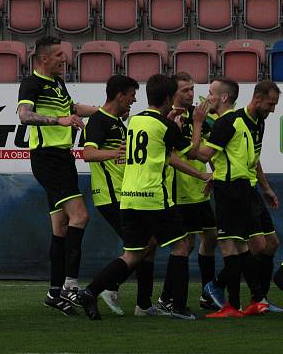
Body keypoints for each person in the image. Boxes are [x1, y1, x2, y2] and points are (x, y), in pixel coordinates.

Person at [77, 74, 204, 320]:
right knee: (183, 245)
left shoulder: (134, 121)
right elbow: (194, 152)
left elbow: (155, 142)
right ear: (169, 98)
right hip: (153, 196)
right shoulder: (165, 126)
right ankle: (177, 307)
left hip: (130, 197)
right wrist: (197, 123)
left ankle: (92, 292)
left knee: (135, 253)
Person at [17, 36, 97, 315]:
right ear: (44, 59)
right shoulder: (32, 83)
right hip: (48, 158)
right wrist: (59, 120)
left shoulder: (58, 83)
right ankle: (70, 286)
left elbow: (72, 109)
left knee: (61, 226)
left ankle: (54, 292)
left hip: (62, 157)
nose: (65, 59)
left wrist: (103, 113)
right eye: (59, 55)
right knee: (81, 216)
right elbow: (24, 116)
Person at [82, 75, 163, 316]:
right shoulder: (98, 121)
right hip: (110, 195)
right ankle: (99, 289)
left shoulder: (117, 122)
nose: (134, 100)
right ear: (119, 95)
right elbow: (87, 154)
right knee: (139, 248)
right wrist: (112, 153)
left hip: (125, 193)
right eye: (131, 95)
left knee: (149, 244)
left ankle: (143, 305)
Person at [191, 78, 267, 318]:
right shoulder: (241, 122)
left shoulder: (225, 122)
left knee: (227, 246)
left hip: (230, 189)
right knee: (241, 246)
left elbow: (201, 154)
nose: (207, 97)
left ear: (224, 98)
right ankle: (251, 300)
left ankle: (225, 297)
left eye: (211, 93)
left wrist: (196, 124)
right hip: (242, 187)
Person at [157, 72, 219, 312]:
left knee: (210, 238)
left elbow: (212, 148)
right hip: (178, 189)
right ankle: (167, 298)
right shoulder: (166, 119)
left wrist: (214, 175)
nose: (191, 94)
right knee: (186, 244)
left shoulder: (199, 115)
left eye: (193, 89)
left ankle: (206, 294)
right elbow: (173, 155)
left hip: (199, 189)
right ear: (173, 94)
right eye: (185, 90)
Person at [238, 80, 283, 313]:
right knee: (256, 246)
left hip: (253, 189)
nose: (273, 109)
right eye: (271, 104)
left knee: (272, 244)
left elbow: (254, 158)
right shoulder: (237, 122)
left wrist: (266, 188)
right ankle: (220, 286)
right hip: (238, 190)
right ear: (258, 99)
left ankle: (261, 298)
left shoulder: (259, 123)